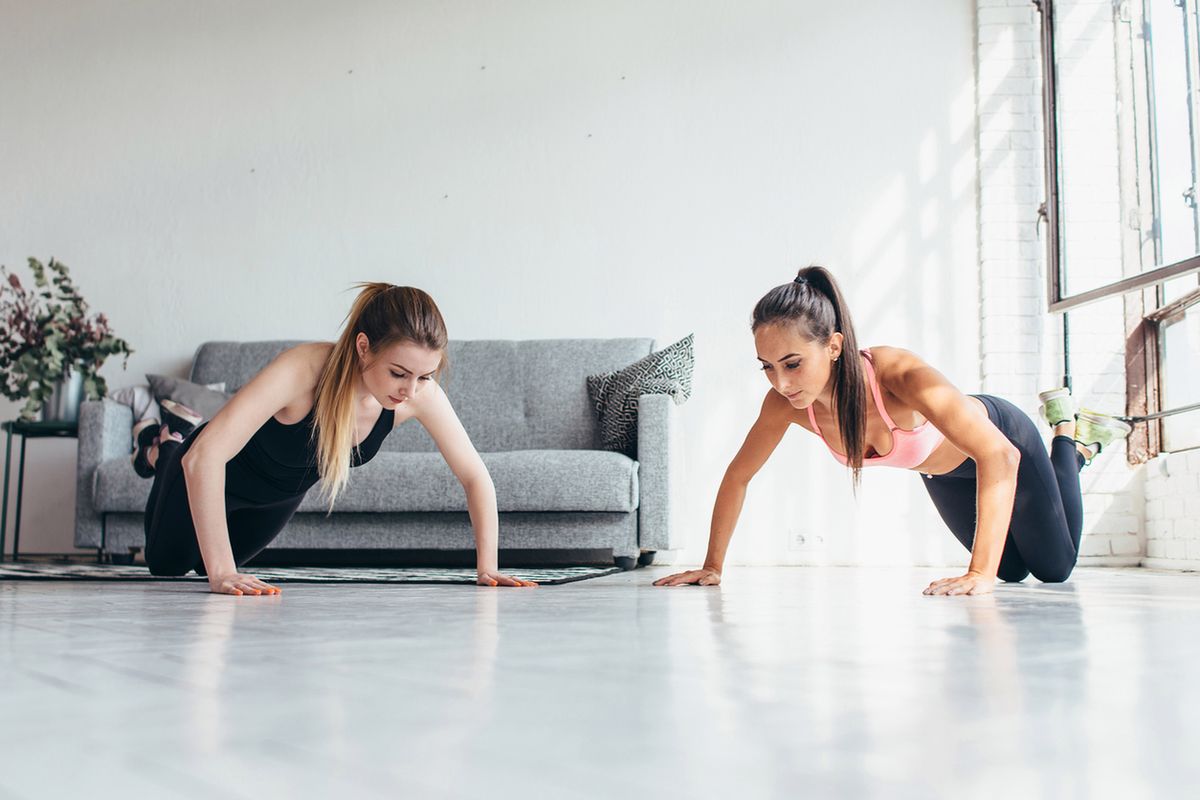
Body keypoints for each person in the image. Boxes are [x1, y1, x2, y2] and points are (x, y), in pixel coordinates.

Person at [654, 266, 1130, 596]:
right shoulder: (784, 405)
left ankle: (1070, 437)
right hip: (944, 473)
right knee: (1010, 569)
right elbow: (739, 476)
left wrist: (976, 574)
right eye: (768, 367)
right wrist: (713, 566)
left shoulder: (898, 375)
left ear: (835, 345)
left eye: (794, 363)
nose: (781, 382)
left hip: (1003, 443)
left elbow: (998, 457)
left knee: (1053, 569)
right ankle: (1072, 447)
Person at [135, 283, 536, 595]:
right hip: (203, 468)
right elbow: (204, 459)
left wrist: (488, 568)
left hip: (277, 499)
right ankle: (163, 444)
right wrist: (222, 572)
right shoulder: (302, 371)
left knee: (214, 571)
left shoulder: (417, 396)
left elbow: (474, 475)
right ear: (364, 347)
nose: (411, 391)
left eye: (425, 376)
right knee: (168, 566)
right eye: (398, 373)